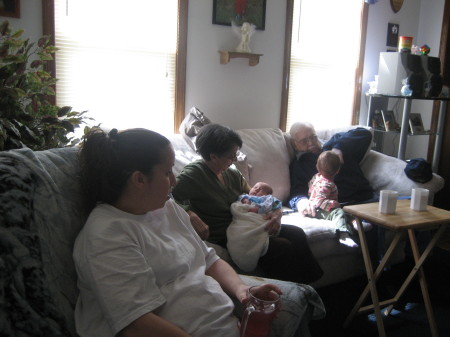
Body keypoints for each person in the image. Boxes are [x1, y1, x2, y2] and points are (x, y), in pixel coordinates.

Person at [73, 127, 283, 337]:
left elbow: (210, 260)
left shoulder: (167, 208)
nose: (174, 181)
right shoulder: (107, 233)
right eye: (167, 172)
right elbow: (136, 324)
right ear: (139, 180)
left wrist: (242, 290)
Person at [172, 123, 323, 284]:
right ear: (214, 156)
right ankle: (287, 295)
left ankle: (309, 288)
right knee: (282, 247)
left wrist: (276, 213)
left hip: (248, 226)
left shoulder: (231, 172)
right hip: (228, 235)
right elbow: (168, 199)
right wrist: (189, 213)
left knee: (297, 233)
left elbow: (256, 198)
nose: (235, 159)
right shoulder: (192, 176)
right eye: (231, 156)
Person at [288, 122, 375, 214]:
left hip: (368, 198)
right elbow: (296, 193)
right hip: (340, 207)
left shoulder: (334, 143)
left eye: (313, 137)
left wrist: (338, 148)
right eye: (304, 141)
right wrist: (302, 202)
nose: (311, 143)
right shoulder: (300, 164)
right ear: (295, 145)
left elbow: (365, 133)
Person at [227, 182, 282, 272]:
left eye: (261, 190)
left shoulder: (267, 199)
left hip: (261, 219)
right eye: (255, 187)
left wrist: (259, 209)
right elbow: (237, 206)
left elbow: (275, 204)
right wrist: (244, 205)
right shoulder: (245, 196)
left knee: (297, 233)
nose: (256, 189)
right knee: (284, 245)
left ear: (267, 194)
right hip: (245, 221)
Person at [307, 151, 358, 248]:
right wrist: (333, 203)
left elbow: (310, 186)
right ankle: (343, 235)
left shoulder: (316, 177)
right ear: (338, 170)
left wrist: (311, 196)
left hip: (319, 207)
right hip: (319, 210)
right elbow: (319, 201)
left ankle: (356, 223)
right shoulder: (326, 184)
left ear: (317, 166)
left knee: (347, 211)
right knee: (339, 212)